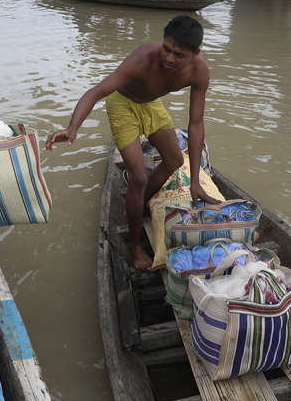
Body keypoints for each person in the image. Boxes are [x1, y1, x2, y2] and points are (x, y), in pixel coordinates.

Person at [46, 16, 220, 270]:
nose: (170, 58)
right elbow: (97, 91)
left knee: (175, 160)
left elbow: (195, 125)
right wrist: (72, 128)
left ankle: (138, 205)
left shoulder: (200, 72)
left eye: (179, 55)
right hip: (122, 104)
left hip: (151, 103)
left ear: (196, 54)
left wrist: (194, 180)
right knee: (137, 177)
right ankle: (135, 246)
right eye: (167, 49)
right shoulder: (142, 59)